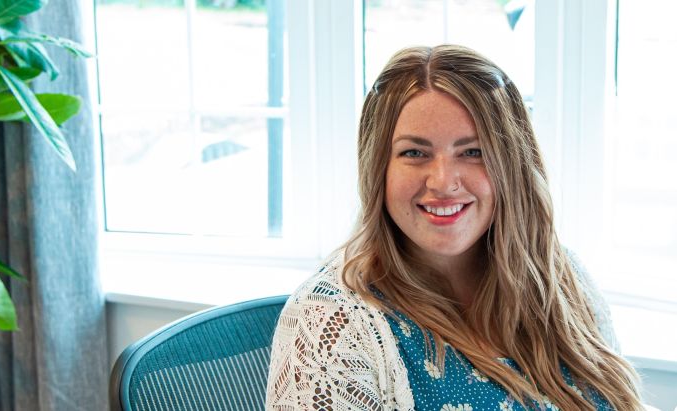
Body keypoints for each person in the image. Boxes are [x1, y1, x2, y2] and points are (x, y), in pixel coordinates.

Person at [265, 45, 644, 411]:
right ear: (377, 166)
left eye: (472, 152)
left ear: (511, 166)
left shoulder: (559, 277)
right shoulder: (333, 322)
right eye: (414, 153)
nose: (444, 182)